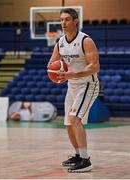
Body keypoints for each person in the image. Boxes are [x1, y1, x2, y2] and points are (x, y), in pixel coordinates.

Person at [47, 8, 100, 173]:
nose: (63, 23)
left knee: (75, 119)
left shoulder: (86, 40)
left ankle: (86, 160)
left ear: (75, 21)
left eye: (67, 19)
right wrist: (56, 74)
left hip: (88, 85)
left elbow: (95, 66)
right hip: (72, 86)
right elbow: (51, 65)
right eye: (62, 19)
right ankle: (77, 155)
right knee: (68, 123)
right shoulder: (60, 43)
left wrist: (72, 73)